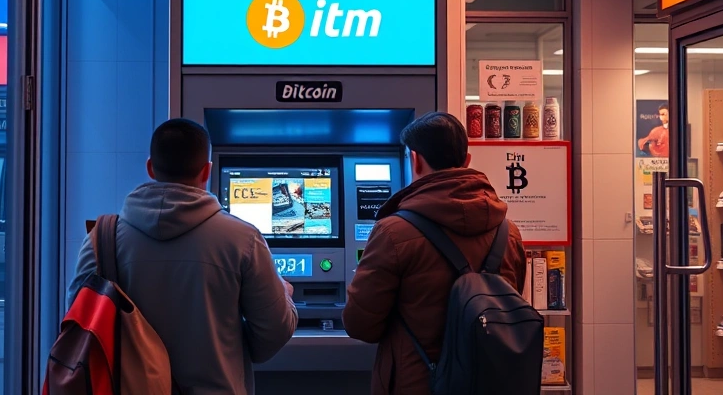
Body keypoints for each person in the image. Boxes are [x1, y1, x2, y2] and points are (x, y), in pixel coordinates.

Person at [67, 118, 298, 395]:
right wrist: (282, 295)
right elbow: (274, 332)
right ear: (207, 171)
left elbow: (81, 321)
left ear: (150, 168)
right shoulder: (244, 239)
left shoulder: (102, 238)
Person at [342, 111, 527, 394]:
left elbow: (360, 325)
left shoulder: (394, 232)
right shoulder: (509, 232)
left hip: (416, 384)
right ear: (467, 160)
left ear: (415, 160)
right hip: (487, 383)